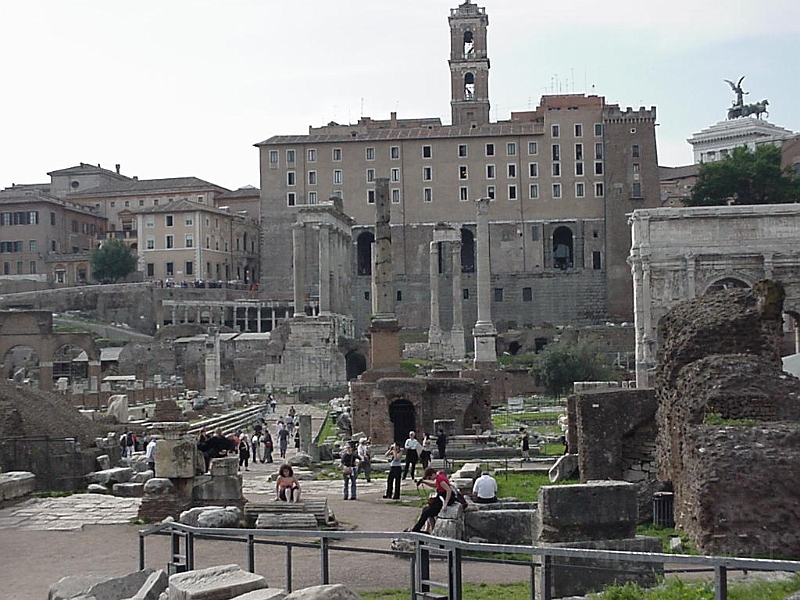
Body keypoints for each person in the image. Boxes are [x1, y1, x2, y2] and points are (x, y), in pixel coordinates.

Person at [408, 467, 455, 533]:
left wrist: (445, 504)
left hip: (445, 499)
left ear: (433, 474)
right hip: (441, 498)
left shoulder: (440, 480)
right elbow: (435, 485)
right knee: (426, 509)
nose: (430, 479)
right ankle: (431, 529)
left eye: (429, 478)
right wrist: (424, 482)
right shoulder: (438, 477)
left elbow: (448, 490)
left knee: (427, 512)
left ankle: (416, 529)